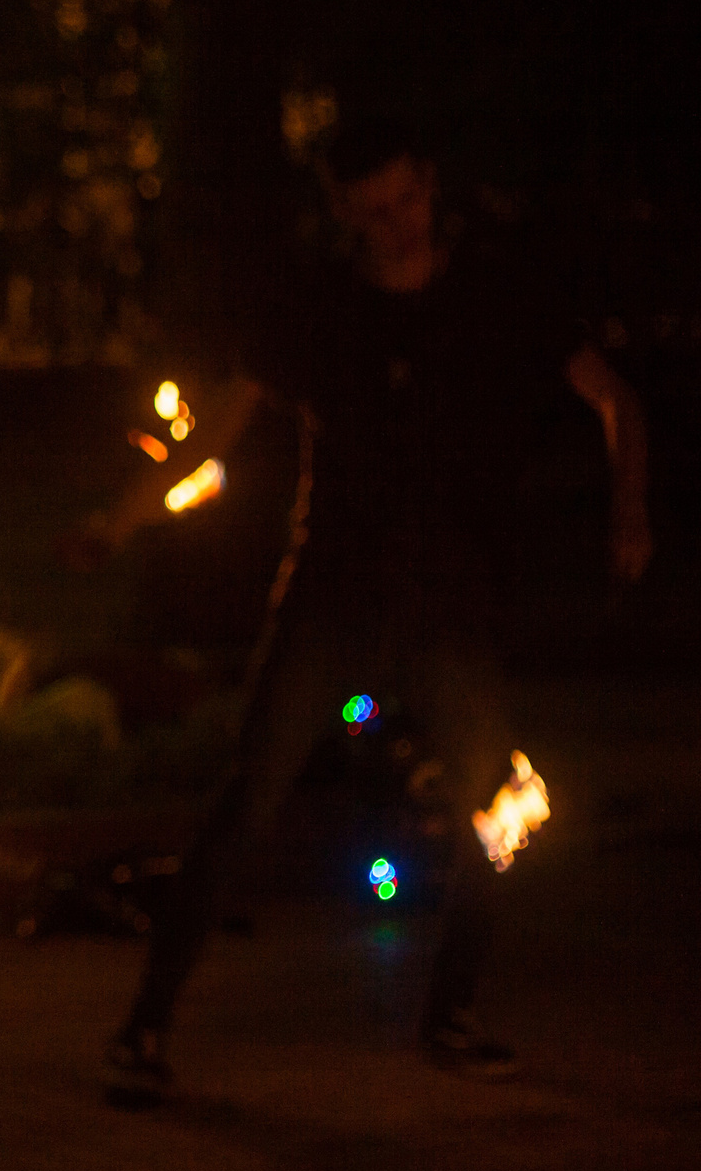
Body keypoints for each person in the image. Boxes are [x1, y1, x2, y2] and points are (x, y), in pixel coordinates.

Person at [75, 113, 651, 1101]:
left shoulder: (490, 296)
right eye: (371, 212)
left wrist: (629, 511)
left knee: (498, 807)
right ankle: (145, 1024)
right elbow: (220, 428)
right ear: (345, 214)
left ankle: (452, 1014)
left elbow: (615, 399)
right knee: (247, 794)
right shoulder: (324, 312)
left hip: (449, 596)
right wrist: (122, 519)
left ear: (429, 186)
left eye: (406, 202)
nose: (394, 226)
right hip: (334, 590)